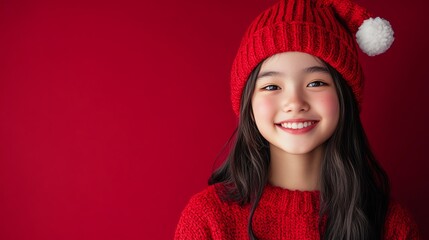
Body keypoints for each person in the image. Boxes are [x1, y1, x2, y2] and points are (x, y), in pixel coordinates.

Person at [174, 0, 420, 239]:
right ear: (248, 104)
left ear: (345, 98)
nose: (295, 102)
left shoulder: (392, 226)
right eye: (271, 86)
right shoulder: (207, 220)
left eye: (316, 83)